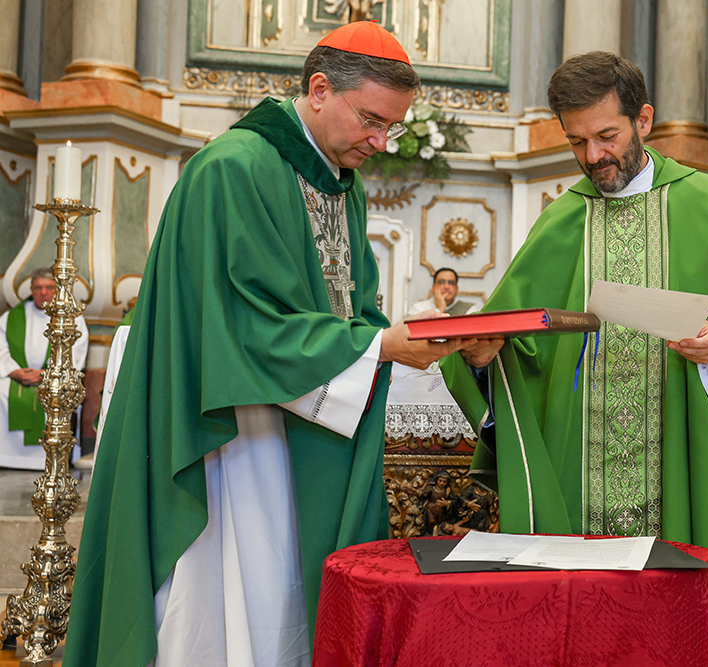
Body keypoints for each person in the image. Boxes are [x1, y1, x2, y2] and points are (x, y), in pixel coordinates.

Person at [63, 21, 477, 667]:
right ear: (318, 89)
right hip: (233, 433)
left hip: (299, 423)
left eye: (392, 125)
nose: (381, 140)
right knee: (232, 605)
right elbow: (241, 324)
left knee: (281, 598)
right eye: (372, 119)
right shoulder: (235, 168)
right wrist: (379, 348)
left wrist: (395, 338)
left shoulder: (339, 179)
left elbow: (351, 304)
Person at [441, 51, 708, 664]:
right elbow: (509, 339)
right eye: (577, 141)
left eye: (607, 136)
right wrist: (482, 356)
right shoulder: (561, 222)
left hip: (690, 457)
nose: (592, 157)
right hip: (577, 475)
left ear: (644, 119)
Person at [0, 268, 88, 470]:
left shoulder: (71, 317)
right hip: (18, 375)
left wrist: (45, 374)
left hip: (54, 377)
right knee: (2, 391)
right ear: (31, 289)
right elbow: (1, 349)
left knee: (56, 394)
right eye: (38, 288)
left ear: (57, 290)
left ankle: (49, 460)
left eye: (48, 288)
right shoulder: (12, 317)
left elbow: (75, 353)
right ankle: (6, 456)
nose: (43, 293)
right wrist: (14, 371)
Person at [409, 267, 478, 316]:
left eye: (451, 283)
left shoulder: (469, 309)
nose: (446, 287)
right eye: (441, 282)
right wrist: (440, 309)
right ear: (433, 288)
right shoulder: (419, 308)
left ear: (457, 289)